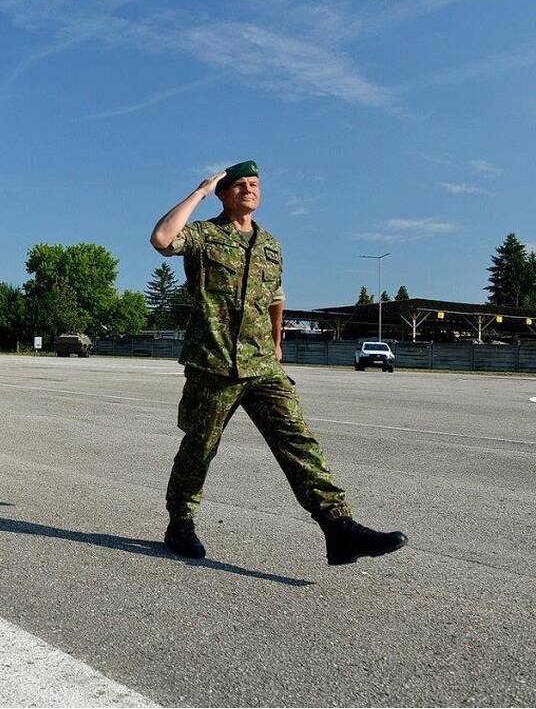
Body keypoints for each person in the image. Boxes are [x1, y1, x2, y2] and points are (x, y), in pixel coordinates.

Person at [149, 160, 408, 566]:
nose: (248, 191)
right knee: (200, 447)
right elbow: (162, 238)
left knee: (297, 440)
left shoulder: (271, 244)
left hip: (262, 364)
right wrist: (200, 190)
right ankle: (180, 522)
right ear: (223, 194)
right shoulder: (203, 235)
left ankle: (338, 526)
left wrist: (276, 342)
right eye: (238, 186)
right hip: (214, 363)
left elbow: (276, 298)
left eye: (254, 185)